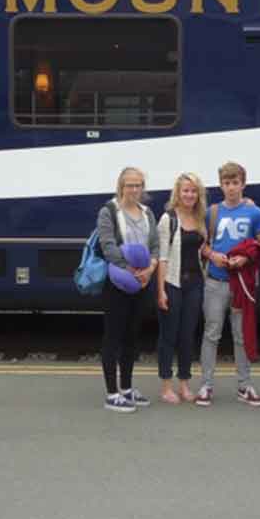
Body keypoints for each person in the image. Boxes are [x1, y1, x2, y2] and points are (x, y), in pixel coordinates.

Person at [195, 162, 260, 407]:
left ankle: (244, 385)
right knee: (211, 333)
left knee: (241, 335)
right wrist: (212, 255)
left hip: (242, 283)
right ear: (221, 185)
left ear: (243, 184)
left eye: (235, 183)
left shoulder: (255, 213)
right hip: (216, 281)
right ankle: (206, 385)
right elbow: (202, 245)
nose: (231, 188)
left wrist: (245, 258)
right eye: (226, 183)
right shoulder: (212, 212)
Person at [97, 167, 159, 413]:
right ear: (120, 186)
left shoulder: (147, 213)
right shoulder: (109, 212)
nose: (134, 190)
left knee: (132, 337)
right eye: (129, 185)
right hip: (117, 283)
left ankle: (126, 388)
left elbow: (155, 246)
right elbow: (107, 246)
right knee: (113, 337)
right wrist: (130, 269)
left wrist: (151, 269)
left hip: (142, 282)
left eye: (138, 185)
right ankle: (112, 394)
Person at [156, 173, 208, 404]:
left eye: (193, 191)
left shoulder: (199, 219)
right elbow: (162, 258)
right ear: (178, 192)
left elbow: (201, 250)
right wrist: (161, 290)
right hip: (172, 283)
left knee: (187, 335)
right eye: (186, 190)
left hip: (195, 284)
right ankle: (166, 386)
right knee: (169, 335)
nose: (189, 195)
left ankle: (185, 384)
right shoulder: (168, 219)